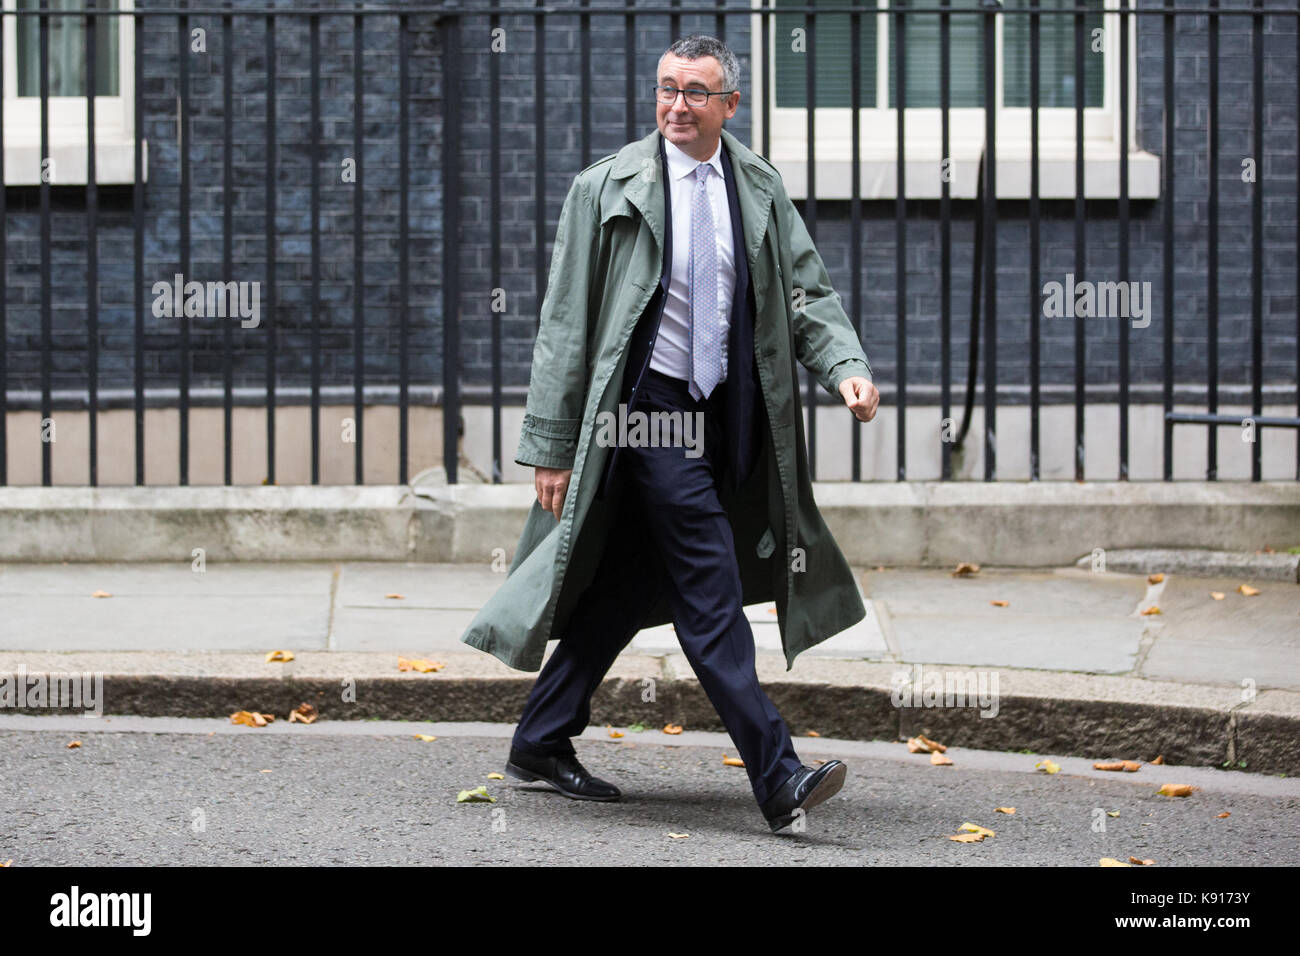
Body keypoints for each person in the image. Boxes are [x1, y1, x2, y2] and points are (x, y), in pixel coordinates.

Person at [461, 34, 879, 833]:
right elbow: (564, 325)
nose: (676, 106)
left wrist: (845, 367)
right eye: (666, 89)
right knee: (708, 585)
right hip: (644, 413)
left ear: (729, 105)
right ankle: (778, 772)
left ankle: (541, 739)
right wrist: (549, 443)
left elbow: (804, 296)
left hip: (726, 417)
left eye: (695, 92)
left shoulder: (755, 185)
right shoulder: (606, 189)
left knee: (628, 583)